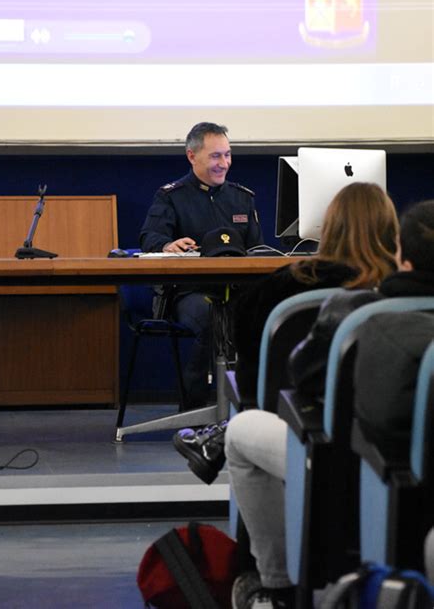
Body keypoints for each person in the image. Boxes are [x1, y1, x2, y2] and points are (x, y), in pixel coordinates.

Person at [226, 197, 434, 609]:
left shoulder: (351, 313)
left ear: (404, 255)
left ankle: (275, 585)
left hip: (337, 460)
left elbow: (301, 382)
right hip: (411, 471)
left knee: (240, 431)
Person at [174, 182, 398, 484]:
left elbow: (251, 383)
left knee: (243, 426)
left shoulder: (274, 291)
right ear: (391, 232)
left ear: (329, 227)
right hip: (388, 442)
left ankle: (261, 531)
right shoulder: (398, 293)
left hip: (298, 432)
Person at [139, 122, 264, 409]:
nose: (224, 164)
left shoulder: (242, 198)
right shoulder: (171, 196)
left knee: (264, 315)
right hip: (189, 293)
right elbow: (150, 238)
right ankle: (195, 408)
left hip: (238, 292)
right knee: (214, 319)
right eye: (216, 156)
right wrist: (167, 246)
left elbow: (258, 250)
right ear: (192, 156)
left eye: (228, 155)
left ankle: (253, 406)